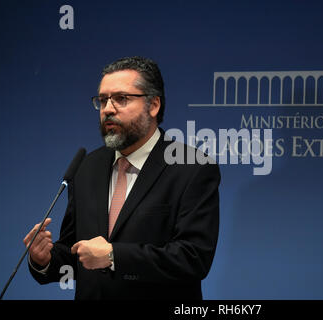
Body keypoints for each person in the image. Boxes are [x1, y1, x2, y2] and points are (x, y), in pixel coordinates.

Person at [23, 56, 220, 300]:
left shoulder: (192, 168)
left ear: (154, 105)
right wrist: (45, 259)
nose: (107, 109)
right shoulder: (87, 167)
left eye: (121, 99)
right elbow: (77, 253)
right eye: (102, 100)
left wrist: (113, 256)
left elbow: (193, 259)